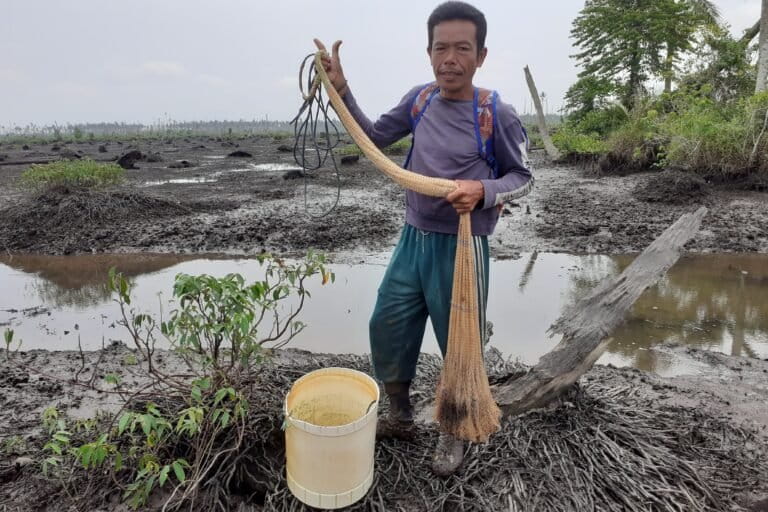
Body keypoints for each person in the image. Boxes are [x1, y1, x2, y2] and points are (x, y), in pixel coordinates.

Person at [315, 0, 533, 476]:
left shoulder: (495, 112)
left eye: (462, 49)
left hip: (461, 247)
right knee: (386, 325)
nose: (449, 59)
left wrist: (483, 191)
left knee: (460, 346)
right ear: (429, 52)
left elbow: (522, 176)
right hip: (412, 240)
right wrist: (342, 89)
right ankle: (400, 414)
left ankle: (454, 432)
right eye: (441, 48)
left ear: (481, 55)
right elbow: (373, 136)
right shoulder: (420, 99)